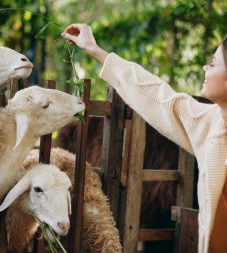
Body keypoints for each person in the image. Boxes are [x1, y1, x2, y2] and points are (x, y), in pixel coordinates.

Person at [61, 24, 227, 253]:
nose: (205, 67)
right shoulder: (209, 123)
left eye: (214, 62)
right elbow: (158, 97)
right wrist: (95, 50)